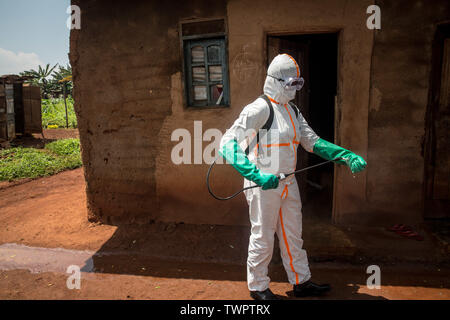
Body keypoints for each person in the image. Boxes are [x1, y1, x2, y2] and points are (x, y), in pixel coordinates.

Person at [219, 54, 367, 300]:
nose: (295, 90)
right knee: (263, 235)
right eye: (290, 84)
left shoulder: (293, 111)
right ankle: (258, 287)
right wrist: (256, 175)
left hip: (289, 182)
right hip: (262, 184)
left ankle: (301, 281)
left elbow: (313, 142)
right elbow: (227, 143)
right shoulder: (259, 109)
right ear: (276, 81)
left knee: (293, 234)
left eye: (298, 84)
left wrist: (345, 155)